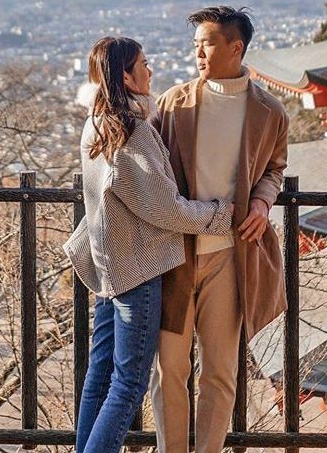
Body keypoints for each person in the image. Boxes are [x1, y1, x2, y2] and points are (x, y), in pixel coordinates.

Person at [63, 36, 234, 453]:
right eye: (144, 63)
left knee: (100, 376)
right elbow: (163, 207)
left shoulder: (96, 123)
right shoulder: (131, 131)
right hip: (135, 270)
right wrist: (218, 214)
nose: (151, 70)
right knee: (129, 383)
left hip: (108, 267)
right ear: (126, 75)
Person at [150, 6, 289, 453]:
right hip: (176, 252)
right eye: (196, 44)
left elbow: (274, 168)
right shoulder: (176, 103)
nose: (198, 52)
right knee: (169, 367)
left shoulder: (269, 112)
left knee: (220, 370)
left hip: (232, 253)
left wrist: (264, 201)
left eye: (207, 43)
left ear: (235, 47)